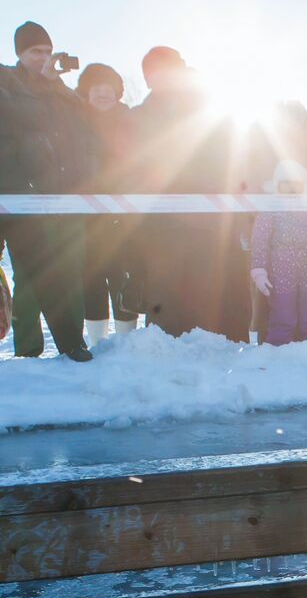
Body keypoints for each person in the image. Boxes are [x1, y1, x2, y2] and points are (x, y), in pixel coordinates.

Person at [130, 45, 249, 343]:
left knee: (208, 296)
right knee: (164, 298)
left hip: (208, 222)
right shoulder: (140, 117)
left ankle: (212, 360)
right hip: (160, 226)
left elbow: (232, 156)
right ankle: (163, 360)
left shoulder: (210, 108)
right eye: (153, 74)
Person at [1, 21, 93, 360]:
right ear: (19, 54)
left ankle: (72, 342)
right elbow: (25, 118)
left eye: (45, 51)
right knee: (27, 278)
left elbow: (77, 124)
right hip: (16, 188)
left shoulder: (56, 88)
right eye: (34, 52)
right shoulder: (7, 81)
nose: (42, 58)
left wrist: (57, 85)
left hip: (46, 190)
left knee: (56, 271)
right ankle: (28, 347)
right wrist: (45, 86)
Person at [247, 100, 307, 343]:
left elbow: (253, 197)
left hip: (286, 254)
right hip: (293, 252)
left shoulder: (266, 152)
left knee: (284, 311)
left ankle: (280, 355)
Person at [75, 62, 139, 343]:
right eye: (96, 87)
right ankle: (98, 342)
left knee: (124, 273)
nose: (103, 93)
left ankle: (127, 341)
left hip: (124, 214)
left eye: (108, 87)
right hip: (85, 215)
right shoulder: (74, 119)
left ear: (117, 92)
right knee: (91, 276)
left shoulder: (131, 120)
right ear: (85, 92)